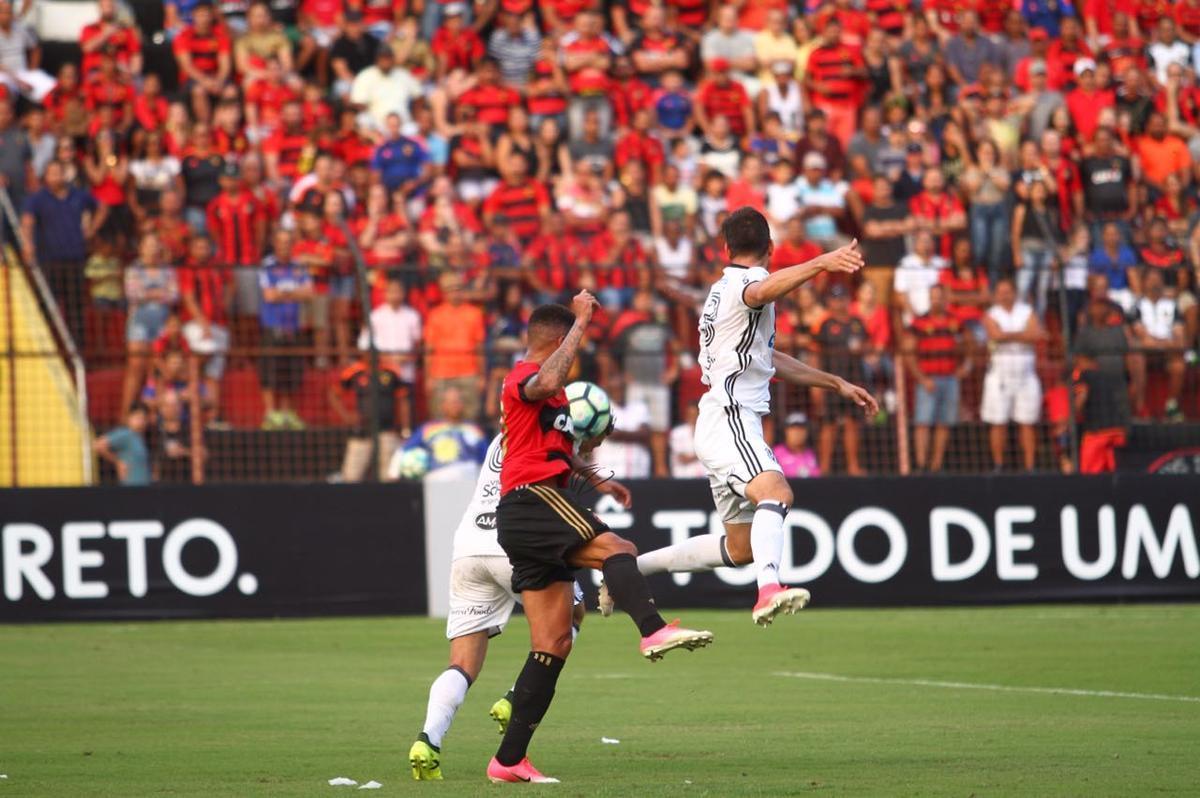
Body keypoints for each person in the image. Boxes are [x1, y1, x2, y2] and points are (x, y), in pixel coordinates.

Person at [485, 296, 712, 785]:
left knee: (554, 641)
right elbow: (544, 381)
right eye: (572, 340)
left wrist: (599, 479)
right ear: (554, 339)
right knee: (619, 549)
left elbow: (556, 448)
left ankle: (507, 761)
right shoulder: (522, 376)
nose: (578, 351)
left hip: (533, 509)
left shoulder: (559, 398)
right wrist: (583, 320)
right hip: (531, 500)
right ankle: (651, 629)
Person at [618, 208, 875, 626]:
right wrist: (820, 262)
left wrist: (834, 383)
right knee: (777, 493)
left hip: (719, 421)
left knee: (741, 548)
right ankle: (769, 589)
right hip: (732, 416)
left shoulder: (720, 290)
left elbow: (767, 357)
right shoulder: (746, 284)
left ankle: (629, 571)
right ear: (771, 249)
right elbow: (760, 291)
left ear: (725, 248)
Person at [409, 433, 588, 781]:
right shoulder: (547, 438)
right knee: (566, 622)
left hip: (469, 546)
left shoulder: (503, 436)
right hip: (513, 543)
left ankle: (427, 741)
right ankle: (514, 698)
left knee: (462, 662)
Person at [904, 284, 970, 473]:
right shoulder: (919, 323)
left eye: (939, 297)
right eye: (933, 297)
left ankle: (936, 465)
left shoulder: (954, 321)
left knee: (944, 423)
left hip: (949, 379)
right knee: (923, 422)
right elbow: (908, 353)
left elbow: (970, 343)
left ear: (945, 299)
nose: (936, 300)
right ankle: (921, 465)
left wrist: (966, 367)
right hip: (928, 379)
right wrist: (921, 378)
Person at [982, 278, 1045, 471]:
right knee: (998, 421)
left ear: (1015, 292)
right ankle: (998, 464)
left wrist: (1007, 335)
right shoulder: (991, 314)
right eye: (1000, 292)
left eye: (1008, 291)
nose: (1004, 295)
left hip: (1026, 374)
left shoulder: (1026, 311)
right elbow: (995, 335)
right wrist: (1021, 335)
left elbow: (1037, 334)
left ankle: (1030, 466)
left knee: (1027, 422)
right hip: (1000, 375)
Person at [258, 228, 313, 429]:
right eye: (280, 242)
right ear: (275, 244)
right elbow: (268, 296)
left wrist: (282, 292)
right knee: (270, 370)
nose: (284, 246)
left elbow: (308, 294)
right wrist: (293, 292)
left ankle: (288, 413)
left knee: (292, 371)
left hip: (294, 326)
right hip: (272, 326)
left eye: (288, 242)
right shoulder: (267, 267)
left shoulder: (299, 266)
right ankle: (271, 413)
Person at [814, 284, 870, 476]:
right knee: (828, 424)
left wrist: (862, 350)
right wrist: (816, 384)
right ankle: (824, 467)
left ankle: (853, 466)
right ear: (830, 302)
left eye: (843, 298)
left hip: (854, 380)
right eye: (835, 299)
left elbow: (868, 348)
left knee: (852, 422)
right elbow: (816, 354)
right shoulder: (824, 324)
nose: (839, 303)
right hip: (830, 382)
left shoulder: (858, 323)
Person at [1072, 352, 1131, 474]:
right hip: (1118, 431)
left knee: (1089, 476)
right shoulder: (1110, 376)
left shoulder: (1083, 375)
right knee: (1115, 475)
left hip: (1097, 434)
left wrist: (1072, 414)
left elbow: (1082, 396)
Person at [93, 402, 151, 486]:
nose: (141, 422)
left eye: (143, 418)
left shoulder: (141, 438)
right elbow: (97, 445)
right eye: (138, 418)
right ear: (129, 418)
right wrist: (117, 462)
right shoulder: (125, 434)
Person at [773, 412, 821, 478]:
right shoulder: (776, 453)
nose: (797, 433)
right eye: (793, 428)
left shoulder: (812, 453)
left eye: (801, 429)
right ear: (785, 431)